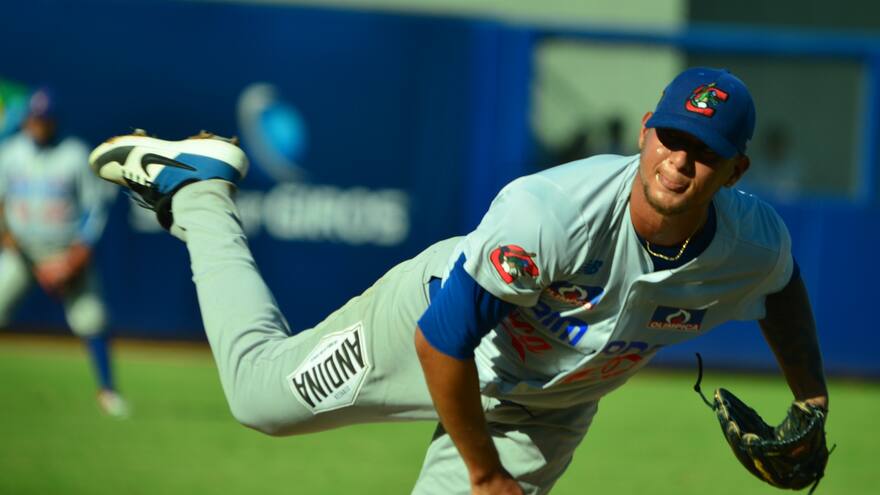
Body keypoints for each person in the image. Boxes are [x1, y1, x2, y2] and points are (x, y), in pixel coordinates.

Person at [88, 67, 828, 494]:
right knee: (257, 395)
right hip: (436, 330)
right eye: (672, 136)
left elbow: (783, 289)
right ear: (644, 130)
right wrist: (483, 474)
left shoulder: (751, 240)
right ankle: (199, 189)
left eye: (706, 150)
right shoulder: (551, 213)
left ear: (736, 170)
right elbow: (443, 338)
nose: (680, 159)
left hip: (544, 409)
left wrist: (811, 395)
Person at [0, 87, 128, 418]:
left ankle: (108, 392)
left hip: (65, 252)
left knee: (91, 317)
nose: (38, 124)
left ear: (53, 121)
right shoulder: (10, 153)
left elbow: (94, 210)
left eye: (44, 119)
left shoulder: (73, 154)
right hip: (22, 251)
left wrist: (73, 259)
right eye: (34, 118)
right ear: (27, 119)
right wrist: (10, 240)